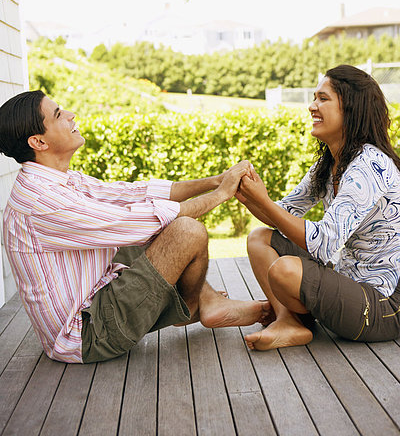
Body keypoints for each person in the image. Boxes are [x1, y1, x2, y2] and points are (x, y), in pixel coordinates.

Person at [0, 90, 267, 363]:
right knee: (186, 231)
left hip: (98, 294)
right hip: (87, 334)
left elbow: (133, 193)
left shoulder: (57, 180)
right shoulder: (43, 201)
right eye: (58, 115)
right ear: (38, 141)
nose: (71, 115)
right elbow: (143, 221)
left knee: (154, 227)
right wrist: (221, 194)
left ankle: (207, 302)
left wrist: (215, 180)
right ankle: (196, 303)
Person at [235, 64, 400, 350]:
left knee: (285, 270)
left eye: (323, 98)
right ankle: (289, 322)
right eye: (314, 98)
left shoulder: (369, 166)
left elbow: (324, 243)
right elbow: (283, 214)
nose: (312, 106)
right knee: (259, 239)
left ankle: (288, 320)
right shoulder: (329, 164)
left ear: (351, 108)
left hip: (383, 303)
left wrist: (261, 199)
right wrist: (247, 192)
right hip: (348, 279)